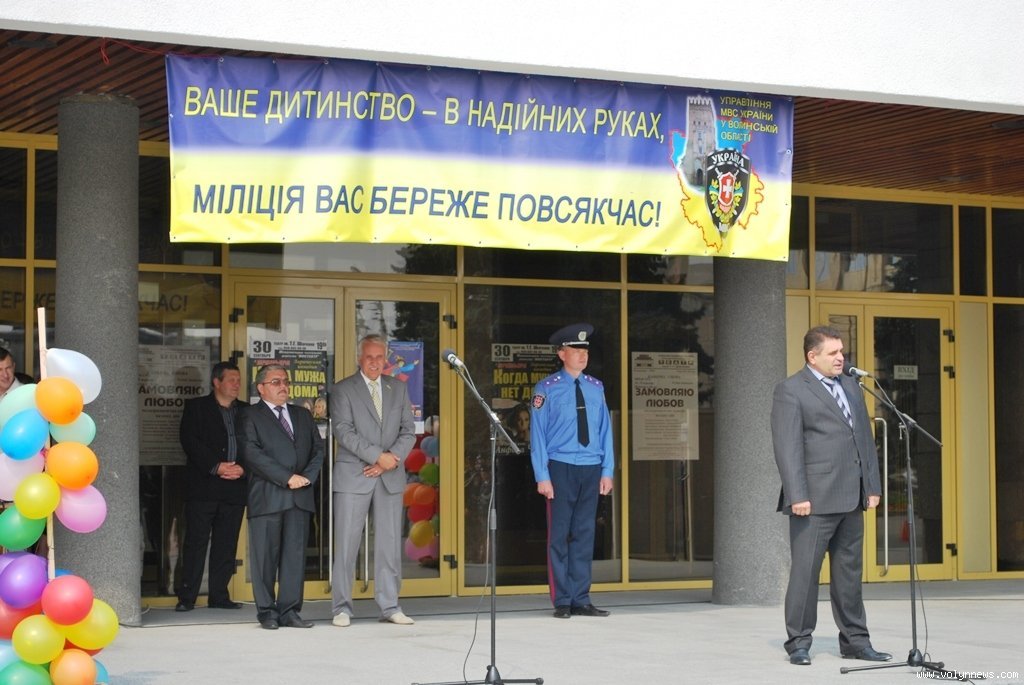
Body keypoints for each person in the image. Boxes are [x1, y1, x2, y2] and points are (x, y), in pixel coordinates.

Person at [771, 326, 890, 666]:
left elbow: (864, 438)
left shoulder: (851, 385)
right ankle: (798, 642)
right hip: (813, 501)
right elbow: (788, 447)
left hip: (852, 497)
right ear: (812, 356)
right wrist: (797, 494)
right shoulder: (791, 390)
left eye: (842, 351)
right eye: (833, 353)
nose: (841, 358)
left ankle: (856, 642)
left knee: (849, 575)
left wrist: (872, 486)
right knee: (806, 574)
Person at [330, 334, 416, 627]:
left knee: (389, 544)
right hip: (354, 475)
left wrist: (389, 459)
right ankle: (341, 608)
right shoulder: (343, 389)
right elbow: (343, 431)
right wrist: (378, 457)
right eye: (369, 357)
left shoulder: (398, 388)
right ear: (360, 358)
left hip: (389, 475)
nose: (375, 362)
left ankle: (390, 606)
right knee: (346, 544)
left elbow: (408, 431)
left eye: (380, 357)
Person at [530, 323, 614, 619]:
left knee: (585, 534)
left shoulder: (596, 387)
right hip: (561, 467)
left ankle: (581, 598)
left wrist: (607, 469)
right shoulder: (546, 389)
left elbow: (605, 431)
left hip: (590, 467)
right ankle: (562, 600)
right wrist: (542, 476)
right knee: (559, 535)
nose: (582, 355)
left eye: (585, 350)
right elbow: (537, 435)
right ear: (561, 353)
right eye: (576, 350)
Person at [238, 364, 324, 630]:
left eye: (285, 381)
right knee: (265, 559)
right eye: (276, 382)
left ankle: (289, 611)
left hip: (299, 497)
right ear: (261, 388)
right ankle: (267, 612)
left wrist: (307, 477)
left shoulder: (302, 415)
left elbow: (318, 450)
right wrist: (287, 477)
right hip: (268, 497)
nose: (283, 386)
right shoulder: (249, 415)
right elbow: (251, 453)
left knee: (294, 558)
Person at [175, 361, 247, 612]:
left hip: (235, 488)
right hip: (203, 487)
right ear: (216, 382)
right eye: (231, 380)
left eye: (239, 380)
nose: (237, 384)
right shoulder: (196, 407)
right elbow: (189, 440)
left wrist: (243, 467)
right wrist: (216, 466)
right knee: (195, 543)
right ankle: (187, 597)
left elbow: (256, 444)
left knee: (226, 544)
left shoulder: (247, 411)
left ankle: (219, 596)